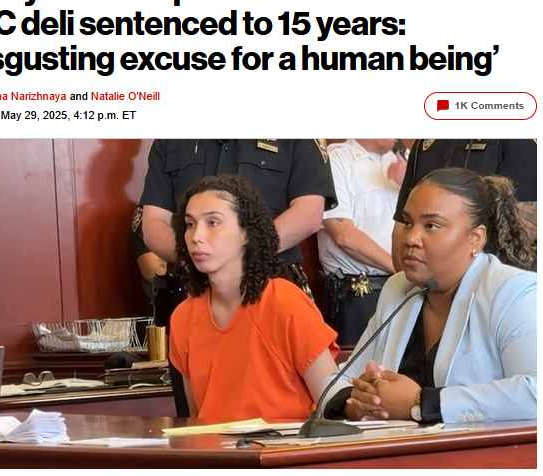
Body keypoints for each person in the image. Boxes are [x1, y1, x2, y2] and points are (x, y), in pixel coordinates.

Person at [133, 138, 338, 416]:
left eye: (212, 223)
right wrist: (205, 259)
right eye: (191, 225)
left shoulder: (286, 303)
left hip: (272, 283)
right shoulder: (185, 318)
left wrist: (241, 254)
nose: (198, 235)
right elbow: (153, 223)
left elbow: (309, 213)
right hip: (194, 291)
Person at [320, 167, 537, 424]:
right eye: (407, 222)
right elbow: (335, 384)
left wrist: (422, 403)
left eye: (431, 226)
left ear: (476, 238)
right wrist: (356, 404)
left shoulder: (513, 291)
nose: (411, 238)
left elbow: (535, 391)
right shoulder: (398, 289)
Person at [391, 139, 537, 271]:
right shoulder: (424, 143)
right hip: (424, 283)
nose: (411, 239)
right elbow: (402, 224)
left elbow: (518, 236)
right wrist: (409, 281)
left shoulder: (517, 139)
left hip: (488, 279)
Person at [317, 139, 405, 346]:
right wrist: (400, 268)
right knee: (361, 363)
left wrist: (411, 186)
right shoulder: (336, 160)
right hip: (359, 293)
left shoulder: (404, 160)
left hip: (405, 289)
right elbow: (344, 235)